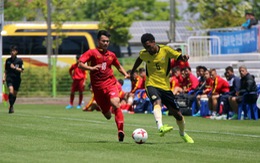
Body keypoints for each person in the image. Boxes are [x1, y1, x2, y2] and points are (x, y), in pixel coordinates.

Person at [130, 33, 194, 143]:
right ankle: (160, 127)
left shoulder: (166, 50)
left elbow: (179, 56)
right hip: (151, 84)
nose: (148, 49)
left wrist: (184, 58)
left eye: (149, 46)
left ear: (154, 42)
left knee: (178, 115)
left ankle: (182, 134)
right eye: (145, 47)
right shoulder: (144, 53)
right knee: (157, 102)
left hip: (165, 87)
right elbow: (139, 59)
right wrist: (132, 71)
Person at [78, 30, 129, 142]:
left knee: (116, 103)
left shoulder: (112, 55)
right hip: (98, 88)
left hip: (111, 83)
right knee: (108, 116)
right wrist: (91, 68)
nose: (106, 43)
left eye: (107, 41)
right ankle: (108, 110)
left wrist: (126, 74)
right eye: (103, 41)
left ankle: (120, 131)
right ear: (98, 41)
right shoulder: (92, 52)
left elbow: (118, 66)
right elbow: (80, 64)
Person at [3, 45, 24, 113]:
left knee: (14, 94)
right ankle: (11, 106)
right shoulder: (8, 60)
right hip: (9, 78)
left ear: (16, 52)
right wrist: (4, 77)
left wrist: (15, 68)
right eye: (11, 51)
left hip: (17, 79)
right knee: (11, 91)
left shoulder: (19, 61)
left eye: (14, 51)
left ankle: (11, 106)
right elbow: (6, 70)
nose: (12, 52)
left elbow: (22, 70)